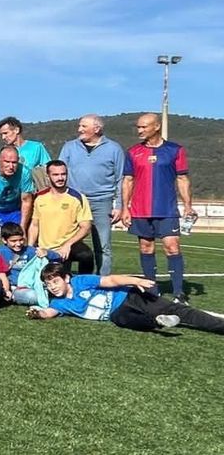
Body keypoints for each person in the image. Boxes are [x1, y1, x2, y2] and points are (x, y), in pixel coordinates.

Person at [121, 112, 196, 303]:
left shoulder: (175, 150)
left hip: (167, 209)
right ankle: (152, 289)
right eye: (138, 127)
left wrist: (188, 205)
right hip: (140, 210)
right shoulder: (133, 152)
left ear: (156, 127)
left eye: (143, 127)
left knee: (172, 247)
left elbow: (182, 179)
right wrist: (125, 208)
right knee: (146, 248)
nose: (139, 130)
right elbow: (128, 180)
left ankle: (178, 292)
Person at [29, 262, 224, 334]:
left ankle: (219, 326)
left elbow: (111, 280)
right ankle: (157, 321)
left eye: (55, 281)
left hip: (129, 296)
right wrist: (37, 313)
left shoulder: (81, 281)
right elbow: (48, 312)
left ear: (66, 278)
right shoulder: (59, 303)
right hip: (117, 312)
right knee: (122, 319)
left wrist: (134, 280)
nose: (52, 287)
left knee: (180, 311)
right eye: (48, 284)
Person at [58, 114, 126, 276]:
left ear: (97, 129)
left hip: (101, 202)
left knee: (103, 246)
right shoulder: (69, 147)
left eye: (83, 126)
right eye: (79, 126)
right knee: (65, 242)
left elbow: (121, 179)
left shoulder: (114, 149)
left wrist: (119, 205)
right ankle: (64, 279)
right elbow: (59, 172)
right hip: (74, 201)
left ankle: (102, 282)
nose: (79, 129)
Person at [30, 160, 95, 274]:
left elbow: (86, 227)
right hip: (46, 248)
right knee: (55, 278)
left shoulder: (78, 198)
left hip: (68, 247)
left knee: (86, 255)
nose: (60, 178)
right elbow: (35, 225)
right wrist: (30, 247)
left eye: (63, 174)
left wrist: (68, 244)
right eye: (55, 175)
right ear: (48, 176)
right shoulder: (39, 198)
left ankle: (83, 282)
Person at [0, 116, 51, 189]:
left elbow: (48, 169)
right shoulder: (2, 152)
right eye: (1, 135)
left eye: (5, 133)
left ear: (16, 130)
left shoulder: (36, 147)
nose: (3, 137)